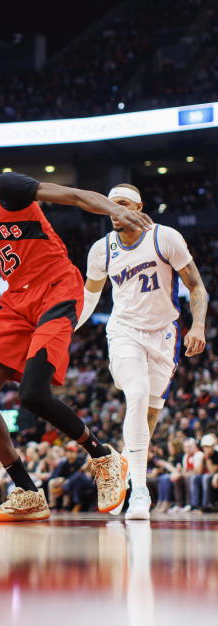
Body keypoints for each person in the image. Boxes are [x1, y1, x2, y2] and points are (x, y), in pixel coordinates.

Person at [0, 140, 153, 522]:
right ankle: (27, 491)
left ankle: (103, 457)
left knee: (33, 394)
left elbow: (71, 194)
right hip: (16, 302)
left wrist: (112, 208)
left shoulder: (4, 187)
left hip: (56, 287)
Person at [76, 183, 208, 519]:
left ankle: (122, 466)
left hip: (164, 335)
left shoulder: (165, 237)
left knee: (148, 416)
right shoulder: (101, 249)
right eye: (110, 205)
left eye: (122, 204)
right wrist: (65, 328)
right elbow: (89, 298)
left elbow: (196, 286)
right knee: (135, 395)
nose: (115, 211)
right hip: (124, 332)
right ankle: (140, 493)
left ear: (138, 207)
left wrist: (198, 326)